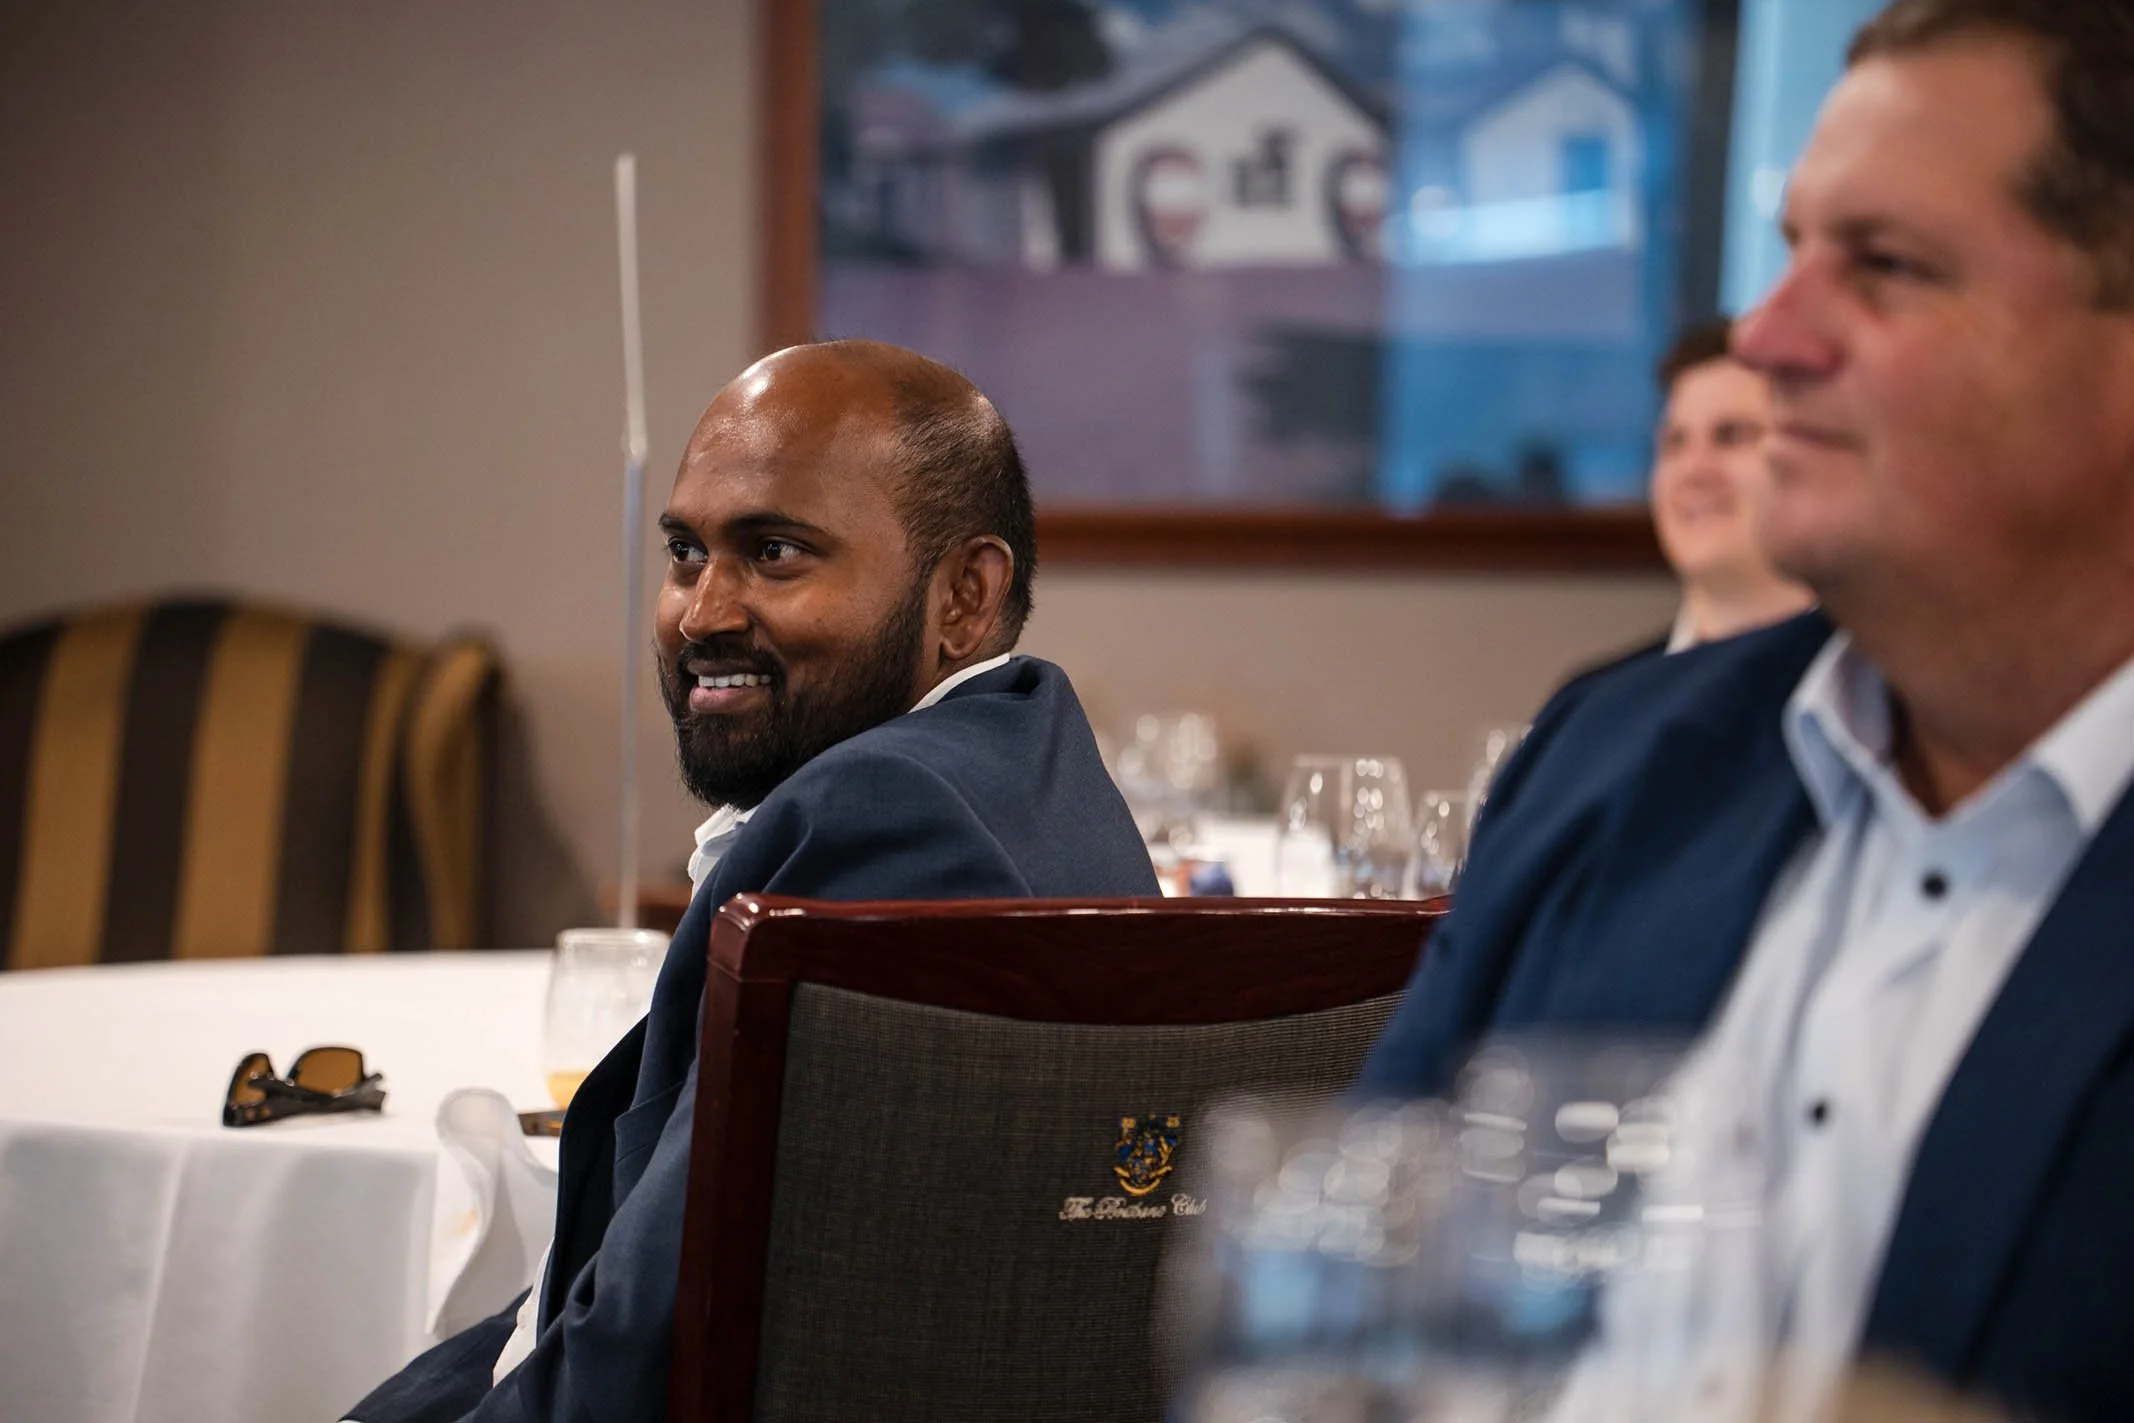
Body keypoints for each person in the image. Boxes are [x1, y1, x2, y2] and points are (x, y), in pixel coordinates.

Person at [1359, 2, 2134, 1419]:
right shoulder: (1615, 760)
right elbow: (1356, 1296)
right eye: (1788, 255)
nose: (1768, 335)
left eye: (1884, 266)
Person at [344, 341, 1159, 1422]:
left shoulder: (887, 822)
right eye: (686, 552)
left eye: (774, 554)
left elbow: (651, 1345)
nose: (701, 612)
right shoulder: (1030, 758)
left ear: (965, 593)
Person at [1649, 318, 1813, 652]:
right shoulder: (1602, 698)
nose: (1693, 470)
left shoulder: (1882, 695)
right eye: (1675, 442)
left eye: (1732, 435)